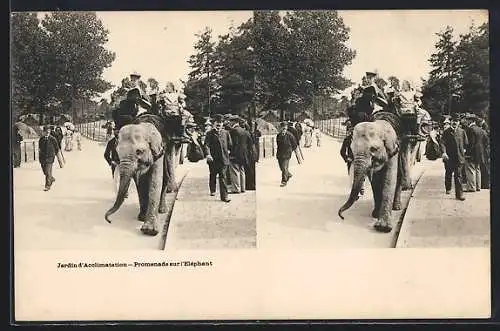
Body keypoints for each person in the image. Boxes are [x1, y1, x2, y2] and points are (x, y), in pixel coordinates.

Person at [203, 114, 232, 202]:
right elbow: (206, 145)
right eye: (217, 122)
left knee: (223, 177)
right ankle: (213, 189)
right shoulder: (210, 134)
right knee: (213, 175)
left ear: (223, 124)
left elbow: (230, 144)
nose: (219, 124)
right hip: (213, 159)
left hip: (223, 159)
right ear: (214, 124)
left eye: (221, 122)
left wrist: (229, 151)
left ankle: (224, 196)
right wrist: (208, 154)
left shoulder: (226, 133)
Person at [439, 114, 468, 201]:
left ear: (459, 122)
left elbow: (466, 143)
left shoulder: (462, 131)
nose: (455, 122)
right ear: (451, 121)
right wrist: (444, 153)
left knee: (458, 175)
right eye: (453, 121)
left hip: (459, 157)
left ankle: (459, 195)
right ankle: (448, 188)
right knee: (448, 173)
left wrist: (464, 151)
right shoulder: (446, 132)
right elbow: (442, 143)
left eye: (457, 121)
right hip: (449, 157)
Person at [227, 115, 252, 194]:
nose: (229, 123)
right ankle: (242, 188)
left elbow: (233, 144)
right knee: (242, 170)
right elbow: (249, 143)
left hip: (235, 154)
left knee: (234, 171)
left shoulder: (233, 131)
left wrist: (231, 153)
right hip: (244, 154)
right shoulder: (244, 131)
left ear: (234, 122)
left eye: (230, 121)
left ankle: (236, 189)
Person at [340, 123, 365, 196]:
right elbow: (342, 151)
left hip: (360, 160)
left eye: (354, 131)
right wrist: (346, 158)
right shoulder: (347, 140)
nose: (353, 132)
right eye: (351, 131)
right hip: (351, 161)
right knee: (352, 176)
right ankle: (354, 193)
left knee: (361, 175)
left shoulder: (362, 140)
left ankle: (361, 187)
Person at [463, 114, 484, 192]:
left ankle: (472, 187)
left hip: (472, 152)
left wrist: (467, 153)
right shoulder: (480, 129)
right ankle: (478, 186)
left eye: (467, 120)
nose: (466, 121)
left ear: (471, 120)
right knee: (477, 169)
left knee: (470, 169)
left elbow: (470, 143)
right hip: (479, 153)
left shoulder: (470, 129)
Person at [104, 128, 125, 196]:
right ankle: (117, 196)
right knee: (115, 180)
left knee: (124, 179)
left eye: (118, 132)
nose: (117, 133)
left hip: (123, 164)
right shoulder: (111, 142)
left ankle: (124, 192)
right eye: (115, 131)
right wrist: (111, 162)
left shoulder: (125, 142)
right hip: (115, 164)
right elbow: (106, 154)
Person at [276, 121, 298, 187]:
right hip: (280, 153)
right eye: (282, 128)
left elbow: (294, 144)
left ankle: (284, 181)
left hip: (287, 153)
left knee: (285, 167)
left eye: (285, 129)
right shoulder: (278, 135)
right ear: (280, 128)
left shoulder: (290, 135)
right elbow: (278, 144)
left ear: (286, 128)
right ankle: (288, 174)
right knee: (281, 168)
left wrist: (290, 150)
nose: (283, 130)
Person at [38, 126, 60, 191]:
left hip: (50, 158)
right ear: (43, 132)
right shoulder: (41, 139)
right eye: (46, 132)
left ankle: (47, 185)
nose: (47, 133)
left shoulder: (53, 139)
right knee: (45, 171)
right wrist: (40, 157)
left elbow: (56, 148)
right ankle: (51, 178)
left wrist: (53, 155)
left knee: (48, 171)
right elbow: (39, 148)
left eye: (48, 131)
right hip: (42, 158)